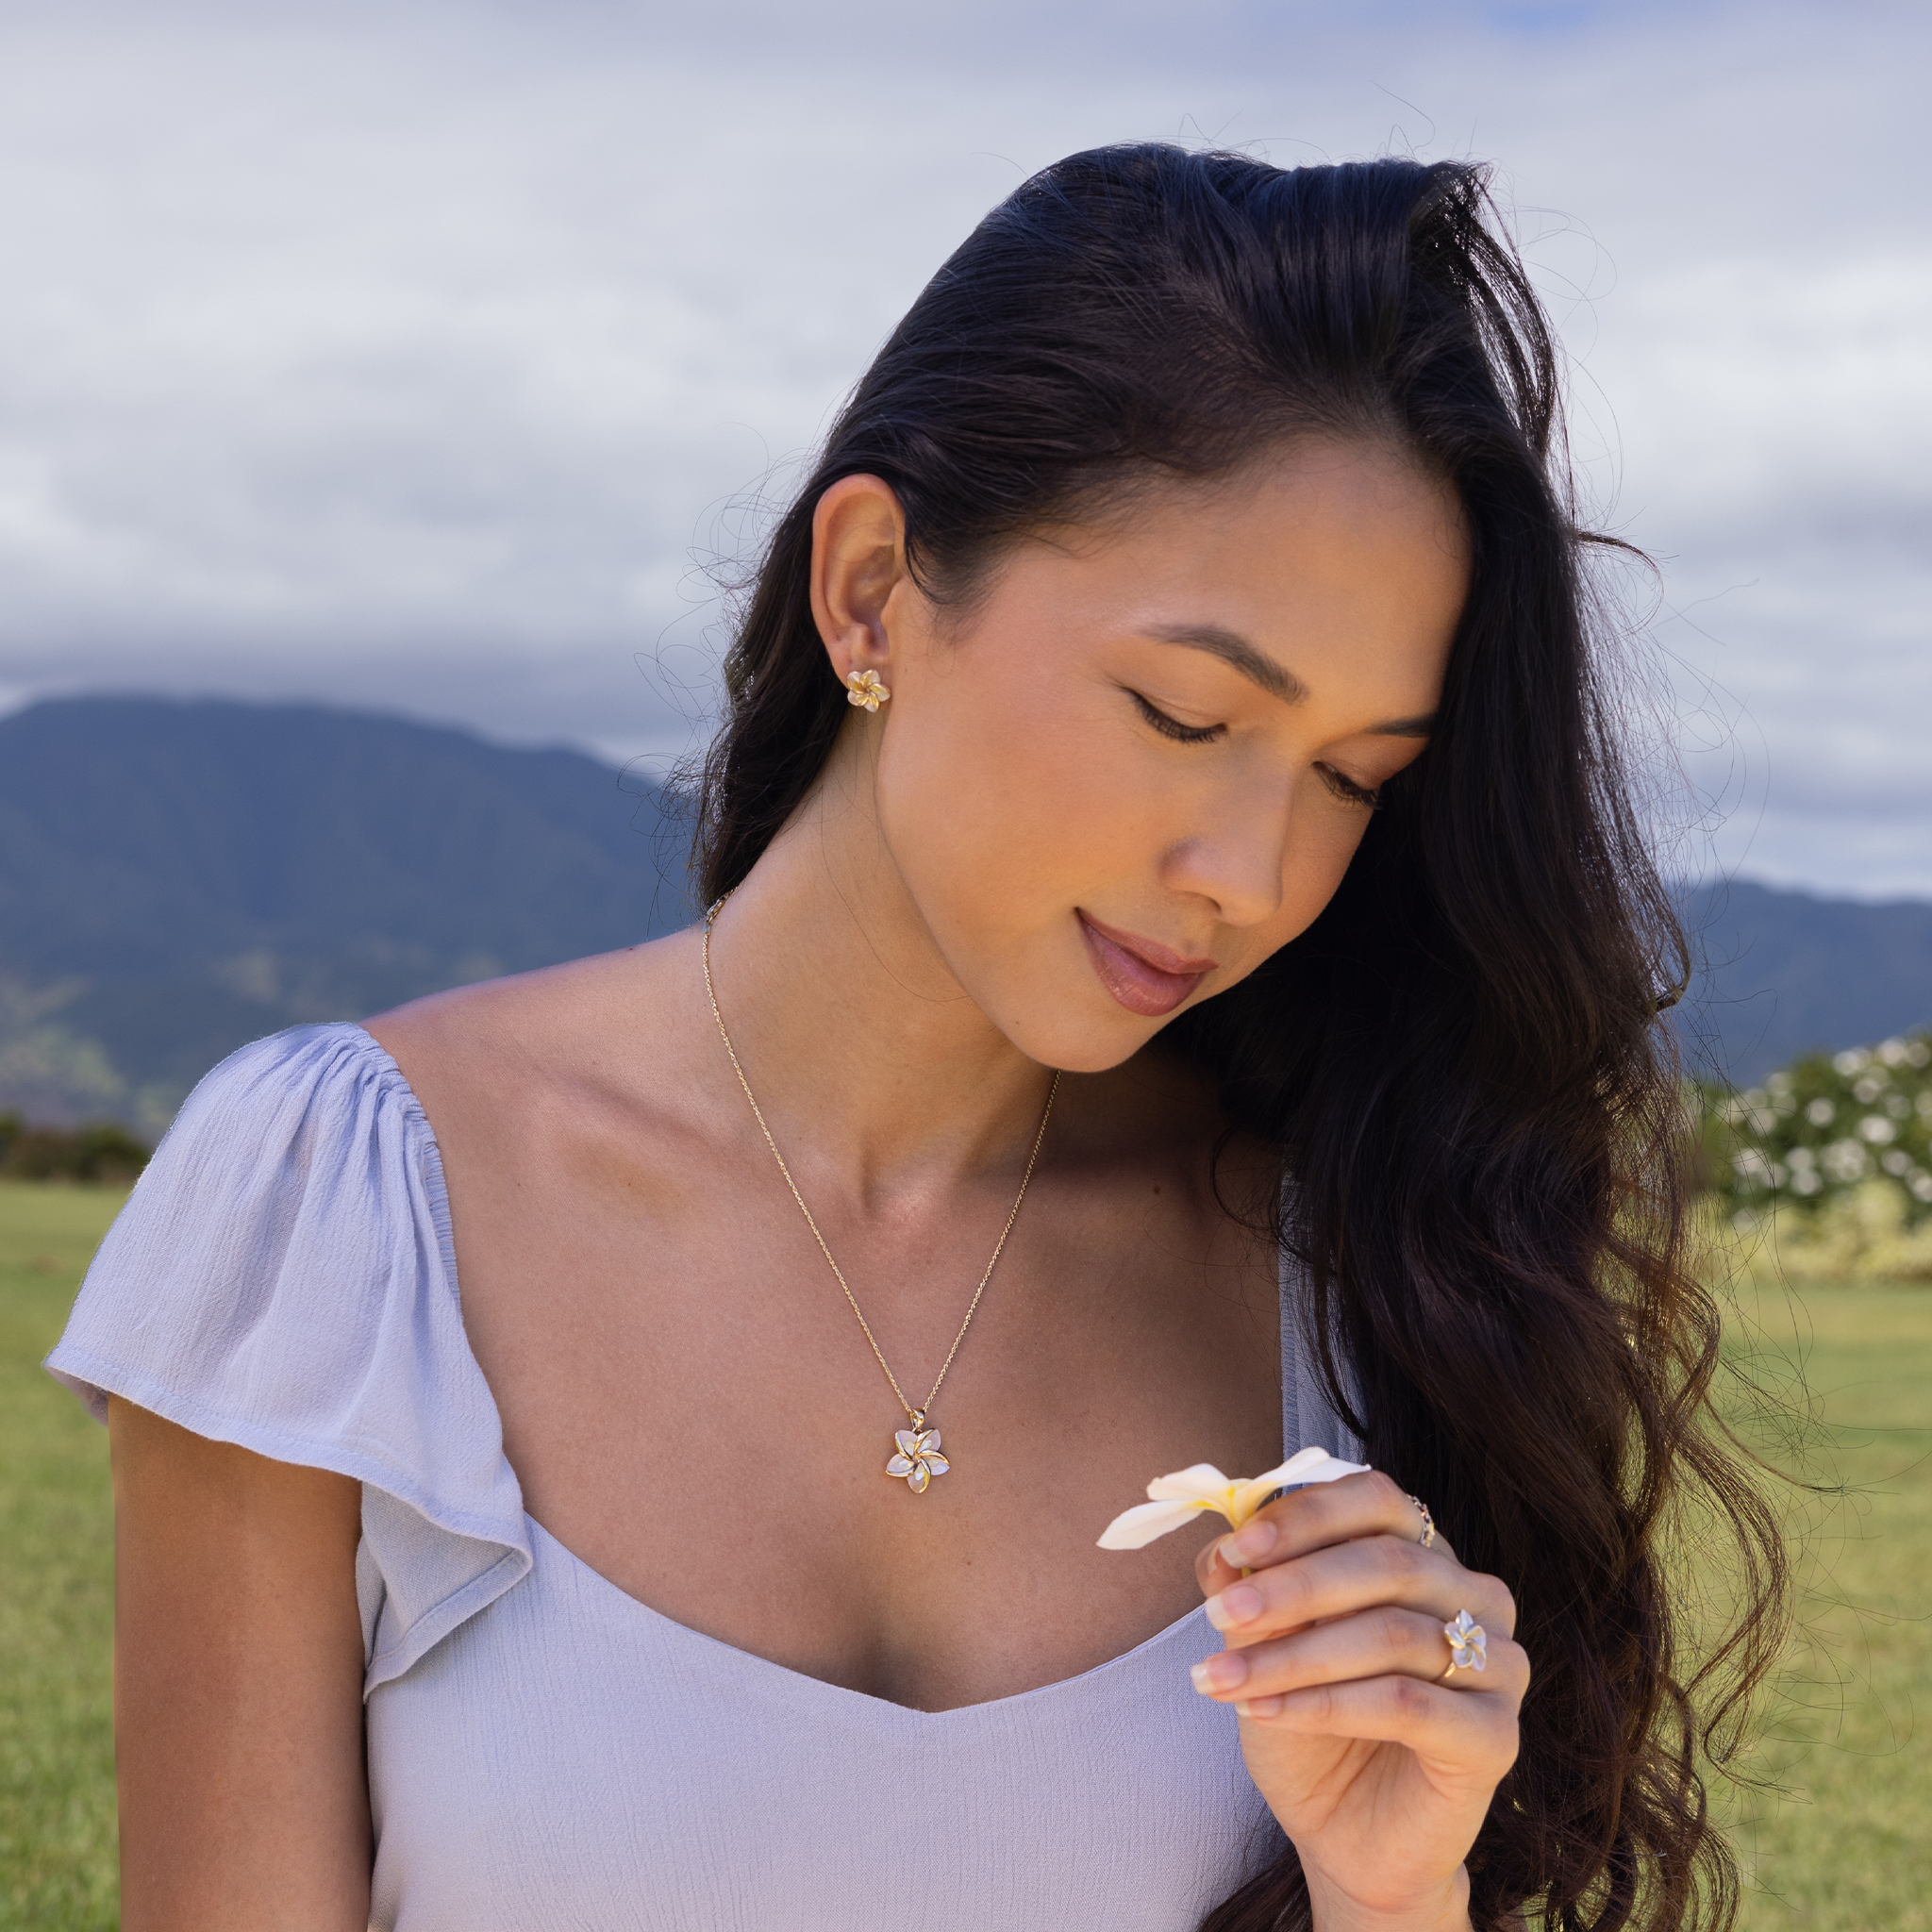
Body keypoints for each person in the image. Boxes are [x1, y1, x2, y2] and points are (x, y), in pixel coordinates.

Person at [49, 144, 1781, 1932]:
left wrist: (1394, 1892)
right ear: (874, 588)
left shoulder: (1348, 1270)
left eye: (1355, 778)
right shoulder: (345, 1201)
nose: (1252, 877)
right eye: (1186, 714)